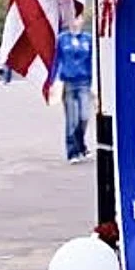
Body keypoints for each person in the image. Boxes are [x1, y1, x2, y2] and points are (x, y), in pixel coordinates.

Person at [53, 11, 93, 163]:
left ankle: (81, 144)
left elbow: (92, 60)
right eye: (72, 18)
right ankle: (72, 151)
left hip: (84, 81)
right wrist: (54, 80)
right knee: (72, 119)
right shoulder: (62, 39)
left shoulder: (88, 39)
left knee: (84, 117)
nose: (75, 21)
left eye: (78, 18)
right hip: (68, 82)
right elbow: (56, 61)